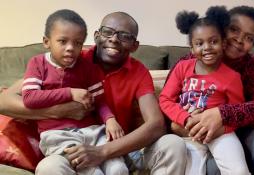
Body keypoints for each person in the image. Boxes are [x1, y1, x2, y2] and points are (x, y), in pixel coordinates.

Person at [0, 11, 186, 175]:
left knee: (173, 144)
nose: (114, 39)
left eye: (124, 36)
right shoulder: (71, 59)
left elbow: (156, 125)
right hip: (70, 145)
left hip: (117, 147)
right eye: (107, 32)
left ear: (134, 46)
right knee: (49, 168)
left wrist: (103, 151)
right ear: (96, 36)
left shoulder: (138, 72)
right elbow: (4, 101)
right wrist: (60, 110)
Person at [169, 5, 254, 175]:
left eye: (248, 38)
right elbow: (166, 100)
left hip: (243, 132)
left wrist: (222, 114)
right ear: (221, 28)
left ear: (252, 45)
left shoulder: (253, 65)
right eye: (234, 30)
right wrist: (182, 123)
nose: (239, 39)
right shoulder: (192, 61)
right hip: (197, 134)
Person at [20, 9, 127, 175]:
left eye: (77, 43)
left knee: (118, 169)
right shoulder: (37, 64)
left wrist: (110, 119)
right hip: (58, 135)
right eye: (63, 41)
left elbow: (99, 101)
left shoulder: (86, 67)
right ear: (46, 42)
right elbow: (29, 98)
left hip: (92, 131)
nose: (70, 48)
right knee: (92, 171)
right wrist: (70, 92)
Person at [159, 6, 250, 175]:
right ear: (192, 49)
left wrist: (219, 131)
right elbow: (165, 99)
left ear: (223, 44)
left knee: (239, 171)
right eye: (199, 43)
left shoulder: (232, 77)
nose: (207, 47)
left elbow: (237, 112)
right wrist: (185, 119)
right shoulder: (182, 68)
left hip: (220, 134)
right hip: (188, 132)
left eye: (213, 41)